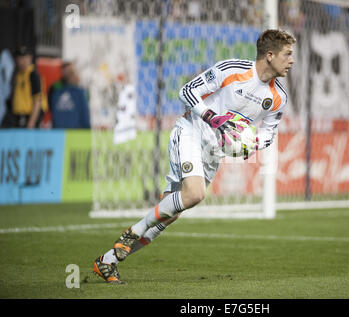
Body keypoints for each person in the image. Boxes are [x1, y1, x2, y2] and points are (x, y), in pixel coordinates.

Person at [92, 29, 296, 284]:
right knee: (195, 194)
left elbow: (268, 134)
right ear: (269, 55)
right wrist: (213, 117)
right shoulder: (232, 70)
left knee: (170, 213)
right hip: (190, 132)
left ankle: (108, 261)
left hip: (213, 154)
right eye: (287, 54)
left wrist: (250, 145)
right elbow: (187, 91)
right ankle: (133, 232)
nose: (291, 60)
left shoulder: (278, 98)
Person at [1, 46, 48, 129]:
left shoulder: (33, 75)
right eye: (19, 58)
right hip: (17, 117)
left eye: (24, 58)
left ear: (30, 58)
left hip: (28, 117)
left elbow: (38, 100)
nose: (21, 61)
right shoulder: (18, 75)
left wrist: (32, 121)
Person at [48, 62, 91, 129]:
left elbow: (85, 111)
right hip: (62, 130)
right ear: (62, 72)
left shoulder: (80, 91)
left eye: (71, 72)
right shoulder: (55, 89)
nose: (70, 74)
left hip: (74, 131)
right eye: (69, 72)